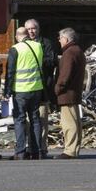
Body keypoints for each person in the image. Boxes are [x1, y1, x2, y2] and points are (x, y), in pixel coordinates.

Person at [4, 27, 44, 160]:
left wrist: (7, 91)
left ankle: (20, 151)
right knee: (35, 119)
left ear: (17, 36)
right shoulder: (38, 46)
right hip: (37, 88)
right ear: (27, 35)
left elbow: (10, 71)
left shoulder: (15, 49)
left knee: (20, 120)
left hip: (20, 90)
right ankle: (36, 151)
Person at [24, 19, 58, 158]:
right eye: (29, 29)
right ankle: (30, 147)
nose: (31, 31)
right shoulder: (22, 45)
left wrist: (37, 59)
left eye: (34, 28)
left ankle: (42, 148)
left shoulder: (46, 43)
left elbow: (52, 62)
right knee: (27, 121)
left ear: (38, 30)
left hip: (43, 89)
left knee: (42, 119)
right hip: (27, 88)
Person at [53, 28, 86, 159]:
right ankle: (74, 148)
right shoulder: (78, 51)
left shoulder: (69, 53)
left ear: (66, 39)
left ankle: (70, 150)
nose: (59, 40)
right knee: (75, 122)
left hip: (67, 93)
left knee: (69, 123)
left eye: (60, 38)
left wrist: (57, 88)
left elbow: (65, 75)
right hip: (75, 92)